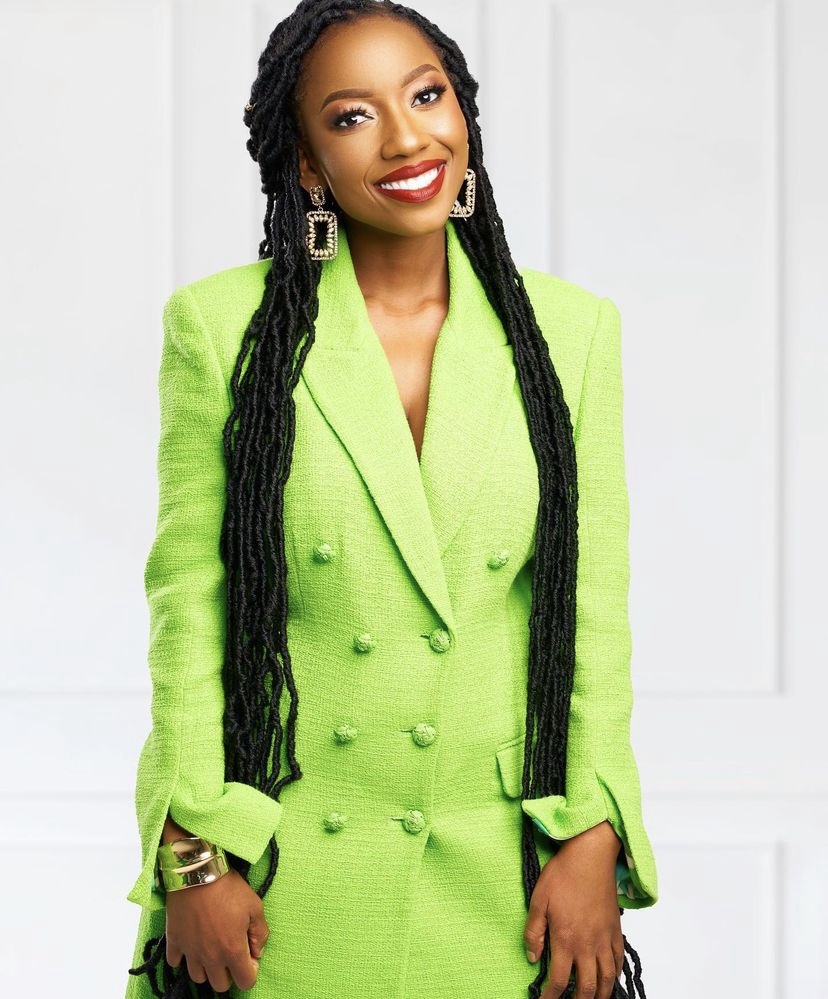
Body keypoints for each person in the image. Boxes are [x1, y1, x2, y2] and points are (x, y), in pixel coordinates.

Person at [125, 2, 659, 998]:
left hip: (506, 872)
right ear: (306, 162)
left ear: (463, 111)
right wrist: (195, 854)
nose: (409, 138)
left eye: (426, 95)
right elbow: (190, 609)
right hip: (277, 871)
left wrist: (592, 832)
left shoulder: (572, 332)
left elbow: (591, 608)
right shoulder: (222, 327)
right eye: (352, 115)